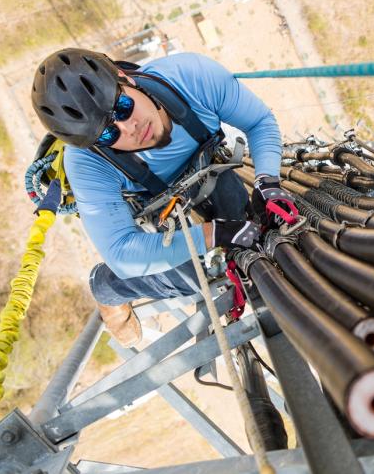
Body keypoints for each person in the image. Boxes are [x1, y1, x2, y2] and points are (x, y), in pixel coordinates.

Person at [30, 48, 298, 346]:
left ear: (123, 78)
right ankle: (107, 288)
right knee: (195, 280)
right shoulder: (87, 163)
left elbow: (258, 121)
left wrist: (268, 181)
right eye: (107, 135)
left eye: (122, 108)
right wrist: (212, 235)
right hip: (152, 202)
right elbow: (121, 252)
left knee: (247, 219)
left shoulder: (190, 78)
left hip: (207, 167)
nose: (129, 128)